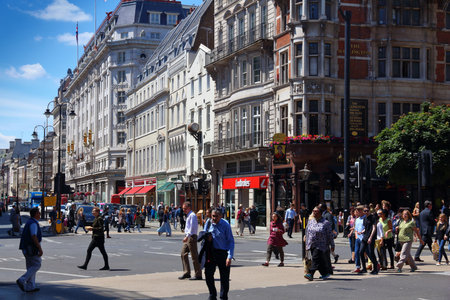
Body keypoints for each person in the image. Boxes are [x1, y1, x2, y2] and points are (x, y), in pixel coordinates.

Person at [205, 209, 235, 300]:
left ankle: (223, 296)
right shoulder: (208, 223)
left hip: (222, 252)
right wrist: (207, 238)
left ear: (221, 216)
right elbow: (204, 234)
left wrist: (229, 256)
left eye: (216, 216)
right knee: (208, 274)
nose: (214, 218)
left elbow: (230, 241)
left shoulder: (225, 225)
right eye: (213, 216)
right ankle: (212, 294)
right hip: (211, 252)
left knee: (224, 277)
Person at [304, 206, 335, 281]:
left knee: (315, 258)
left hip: (321, 245)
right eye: (313, 211)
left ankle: (310, 274)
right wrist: (306, 240)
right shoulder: (311, 221)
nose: (314, 213)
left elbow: (330, 235)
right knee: (318, 260)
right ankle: (324, 273)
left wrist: (332, 244)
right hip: (312, 243)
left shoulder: (325, 223)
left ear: (320, 213)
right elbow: (307, 232)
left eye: (316, 211)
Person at [17, 207, 43, 293]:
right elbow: (34, 236)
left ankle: (30, 286)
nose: (40, 215)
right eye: (39, 213)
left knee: (30, 267)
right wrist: (39, 248)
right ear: (35, 214)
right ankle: (22, 279)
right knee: (37, 264)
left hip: (26, 247)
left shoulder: (29, 222)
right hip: (31, 248)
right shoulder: (33, 223)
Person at [78, 207, 109, 271]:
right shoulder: (96, 218)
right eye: (92, 211)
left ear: (97, 212)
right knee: (102, 252)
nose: (92, 212)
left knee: (90, 250)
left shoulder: (99, 219)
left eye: (94, 211)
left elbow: (101, 228)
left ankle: (85, 265)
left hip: (98, 238)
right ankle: (106, 265)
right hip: (96, 237)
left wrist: (92, 229)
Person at [179, 201, 202, 280]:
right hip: (188, 236)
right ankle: (186, 272)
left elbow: (192, 227)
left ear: (189, 208)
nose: (184, 210)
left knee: (194, 256)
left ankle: (198, 274)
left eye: (185, 208)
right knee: (183, 253)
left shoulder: (192, 215)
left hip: (191, 237)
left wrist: (187, 236)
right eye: (183, 209)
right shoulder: (188, 215)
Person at [360, 205, 379, 275]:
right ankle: (364, 268)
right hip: (365, 237)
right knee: (361, 252)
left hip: (370, 237)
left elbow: (374, 228)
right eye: (365, 211)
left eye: (367, 210)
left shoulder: (373, 217)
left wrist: (371, 237)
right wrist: (362, 231)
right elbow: (367, 227)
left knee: (371, 253)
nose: (366, 212)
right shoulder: (365, 218)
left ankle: (375, 268)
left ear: (369, 210)